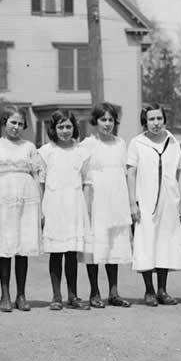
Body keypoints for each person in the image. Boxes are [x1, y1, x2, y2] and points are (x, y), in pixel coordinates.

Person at [127, 103, 181, 306]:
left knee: (165, 243)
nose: (155, 123)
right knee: (146, 243)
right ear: (145, 122)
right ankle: (149, 290)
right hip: (146, 201)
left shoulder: (172, 141)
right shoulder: (137, 143)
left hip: (169, 201)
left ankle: (162, 289)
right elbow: (131, 174)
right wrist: (132, 203)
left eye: (159, 118)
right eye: (151, 119)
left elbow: (180, 172)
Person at [0, 105, 43, 312]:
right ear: (5, 122)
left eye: (20, 124)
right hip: (4, 198)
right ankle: (5, 295)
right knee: (5, 248)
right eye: (13, 122)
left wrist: (39, 207)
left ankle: (21, 295)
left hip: (27, 199)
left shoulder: (29, 146)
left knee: (22, 248)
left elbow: (36, 176)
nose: (16, 127)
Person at [80, 102, 132, 308]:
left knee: (113, 245)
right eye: (103, 119)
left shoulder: (121, 144)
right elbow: (84, 178)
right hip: (96, 198)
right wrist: (87, 207)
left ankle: (114, 292)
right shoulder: (88, 144)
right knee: (95, 245)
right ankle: (94, 292)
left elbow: (125, 174)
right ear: (96, 121)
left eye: (111, 120)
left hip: (116, 198)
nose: (107, 124)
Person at [38, 110, 91, 311]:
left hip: (74, 204)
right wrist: (41, 210)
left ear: (74, 128)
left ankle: (73, 295)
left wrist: (85, 208)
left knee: (71, 253)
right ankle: (56, 296)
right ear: (54, 129)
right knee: (56, 252)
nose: (65, 131)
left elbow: (86, 181)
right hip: (53, 204)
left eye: (69, 126)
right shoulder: (45, 152)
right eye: (61, 127)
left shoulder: (81, 152)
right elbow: (41, 183)